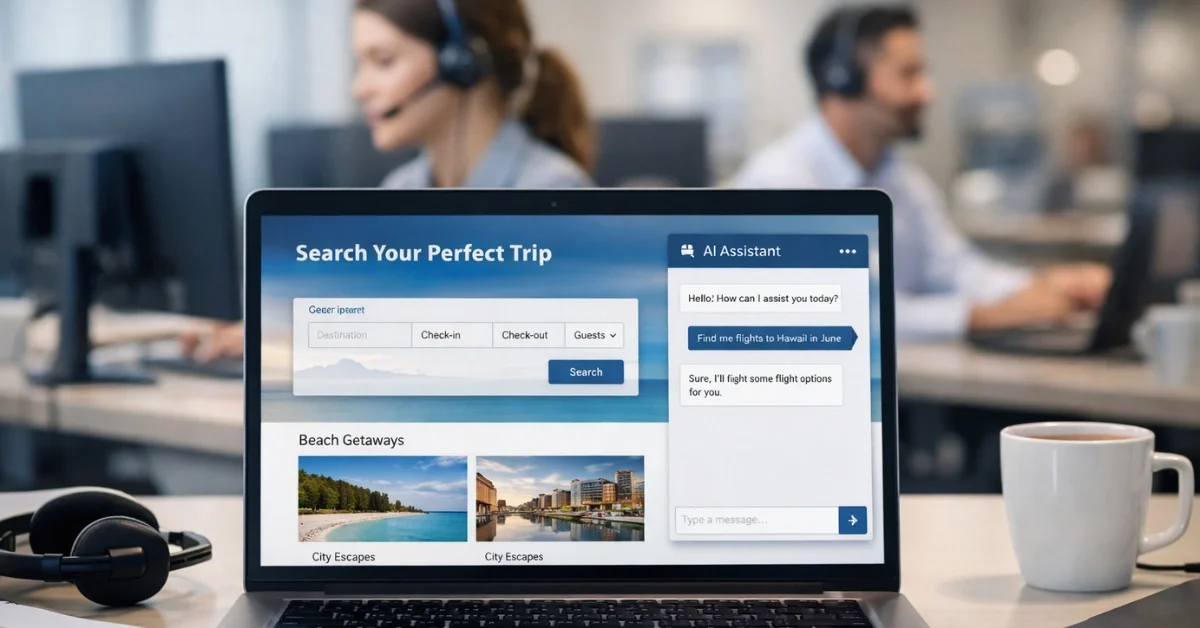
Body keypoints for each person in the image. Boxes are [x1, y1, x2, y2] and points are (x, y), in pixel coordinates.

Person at [183, 0, 594, 361]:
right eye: (360, 64)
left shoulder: (554, 193)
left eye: (383, 61)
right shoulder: (403, 189)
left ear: (462, 63)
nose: (359, 89)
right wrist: (267, 332)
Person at [731, 5, 1111, 340]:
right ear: (842, 78)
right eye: (908, 74)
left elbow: (956, 269)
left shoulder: (899, 179)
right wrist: (981, 316)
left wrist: (1051, 285)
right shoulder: (779, 184)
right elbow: (841, 315)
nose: (926, 92)